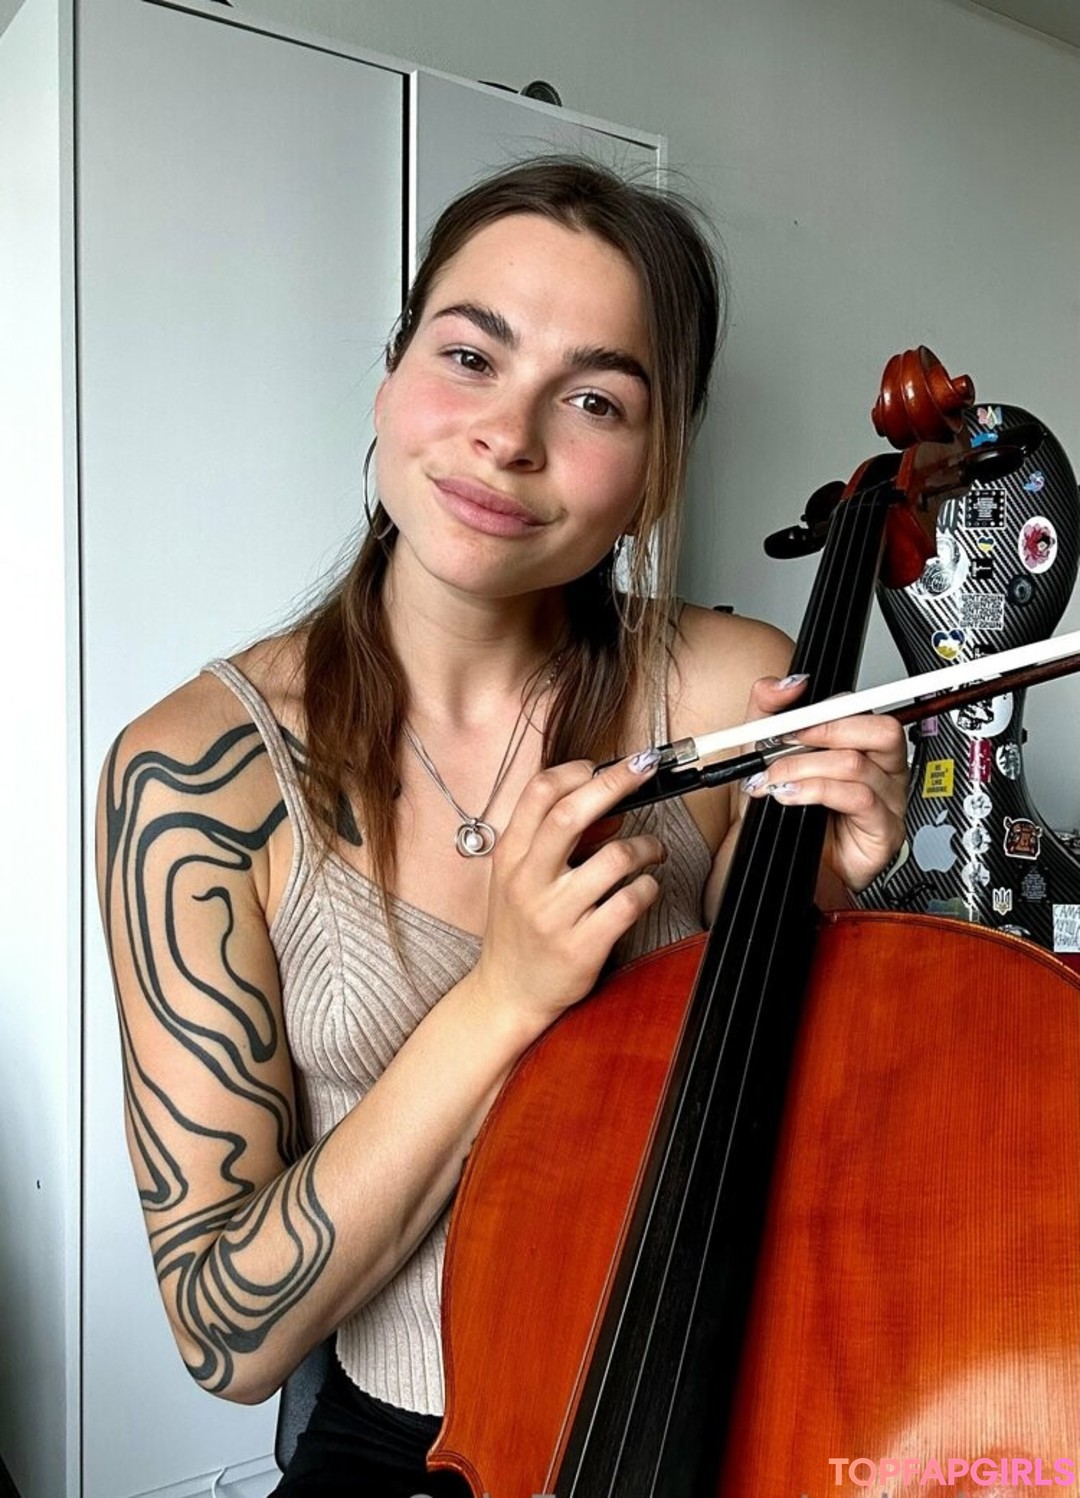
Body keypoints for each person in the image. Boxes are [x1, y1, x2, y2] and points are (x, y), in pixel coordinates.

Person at [96, 157, 907, 1496]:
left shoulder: (730, 692)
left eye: (594, 399)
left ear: (654, 472)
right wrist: (506, 996)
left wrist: (828, 899)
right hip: (402, 1452)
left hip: (730, 1416)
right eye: (469, 356)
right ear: (390, 375)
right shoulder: (195, 778)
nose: (508, 437)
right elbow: (224, 1333)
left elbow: (815, 1135)